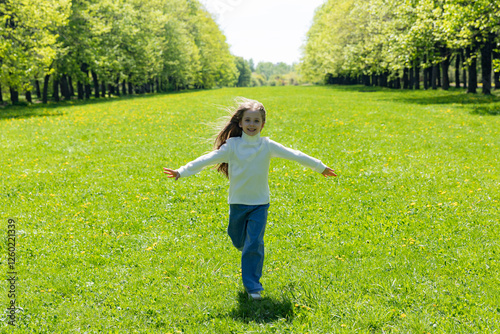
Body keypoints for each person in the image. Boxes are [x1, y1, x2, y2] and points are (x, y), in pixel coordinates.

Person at [163, 98, 337, 300]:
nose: (252, 125)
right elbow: (207, 159)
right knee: (237, 239)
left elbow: (294, 154)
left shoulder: (267, 145)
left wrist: (320, 167)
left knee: (254, 243)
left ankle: (253, 287)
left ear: (263, 124)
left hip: (260, 204)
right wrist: (181, 171)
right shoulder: (232, 146)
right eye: (248, 120)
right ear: (240, 123)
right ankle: (246, 251)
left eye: (256, 121)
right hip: (238, 202)